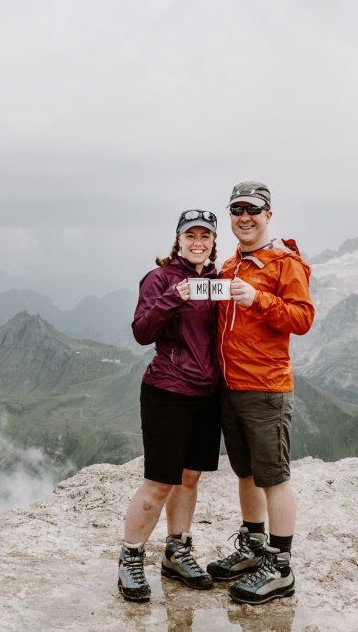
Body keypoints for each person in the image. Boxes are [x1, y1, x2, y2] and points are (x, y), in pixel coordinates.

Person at [204, 181, 315, 605]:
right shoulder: (231, 263)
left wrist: (259, 300)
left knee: (274, 477)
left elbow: (302, 318)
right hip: (231, 387)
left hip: (266, 388)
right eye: (236, 210)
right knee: (246, 472)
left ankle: (281, 567)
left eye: (252, 210)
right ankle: (253, 549)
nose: (244, 217)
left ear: (268, 214)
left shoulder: (286, 263)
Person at [117, 209, 224, 602]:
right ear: (177, 240)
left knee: (190, 478)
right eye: (191, 235)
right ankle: (130, 557)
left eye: (205, 236)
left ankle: (177, 552)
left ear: (214, 242)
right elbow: (142, 331)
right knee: (160, 481)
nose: (198, 242)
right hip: (168, 392)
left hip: (208, 395)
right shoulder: (160, 278)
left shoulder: (218, 281)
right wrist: (171, 298)